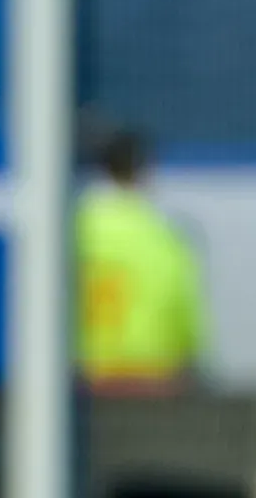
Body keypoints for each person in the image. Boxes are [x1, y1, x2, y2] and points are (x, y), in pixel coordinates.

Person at [75, 127, 203, 393]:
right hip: (154, 376)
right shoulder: (164, 235)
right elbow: (185, 313)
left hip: (89, 376)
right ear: (144, 171)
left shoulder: (75, 230)